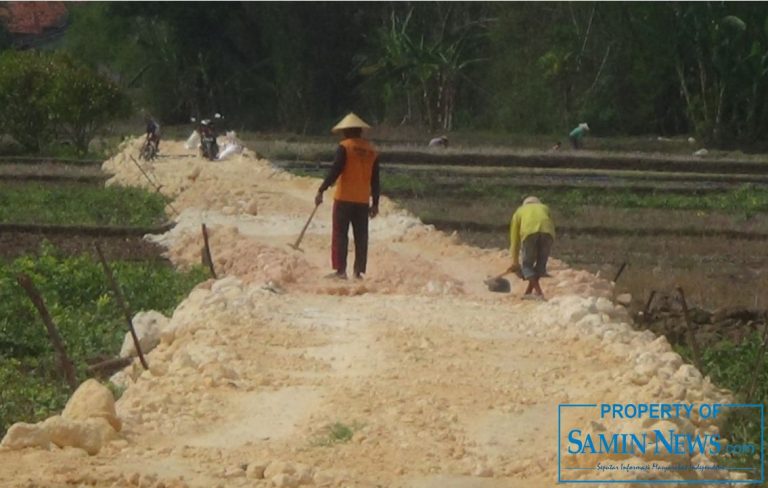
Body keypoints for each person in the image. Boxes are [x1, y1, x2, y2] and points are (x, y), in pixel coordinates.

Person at [315, 112, 380, 280]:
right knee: (361, 236)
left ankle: (340, 271)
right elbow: (375, 180)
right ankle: (358, 272)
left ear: (346, 132)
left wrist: (322, 189)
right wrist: (375, 203)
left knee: (340, 234)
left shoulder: (345, 147)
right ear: (360, 131)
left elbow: (335, 170)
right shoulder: (372, 151)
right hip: (362, 200)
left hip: (344, 198)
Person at [508, 195, 555, 299]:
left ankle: (539, 293)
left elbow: (514, 240)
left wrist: (515, 262)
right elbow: (551, 223)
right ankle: (528, 293)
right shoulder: (544, 207)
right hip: (548, 234)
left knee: (527, 266)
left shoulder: (519, 211)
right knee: (540, 265)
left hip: (529, 234)